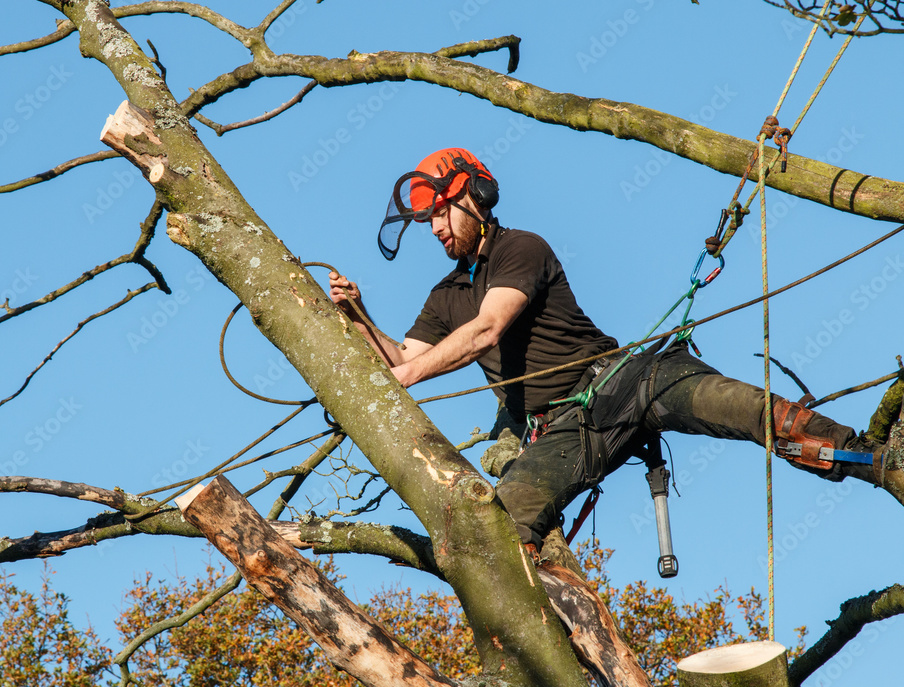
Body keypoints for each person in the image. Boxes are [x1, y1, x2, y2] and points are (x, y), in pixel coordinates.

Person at [328, 147, 899, 554]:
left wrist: (405, 379)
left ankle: (875, 462)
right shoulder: (443, 296)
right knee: (505, 525)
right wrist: (356, 315)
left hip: (628, 377)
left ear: (476, 199)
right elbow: (401, 361)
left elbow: (486, 331)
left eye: (440, 213)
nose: (433, 230)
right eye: (426, 220)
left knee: (746, 409)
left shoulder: (520, 249)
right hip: (567, 426)